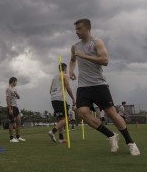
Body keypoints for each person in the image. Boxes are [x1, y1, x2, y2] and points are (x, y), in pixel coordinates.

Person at [69, 18, 140, 155]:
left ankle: (130, 142)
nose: (76, 32)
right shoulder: (75, 47)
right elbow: (72, 60)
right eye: (75, 29)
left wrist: (84, 56)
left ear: (87, 28)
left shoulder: (97, 42)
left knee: (111, 114)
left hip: (99, 84)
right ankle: (111, 135)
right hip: (83, 86)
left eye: (79, 29)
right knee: (82, 112)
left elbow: (105, 60)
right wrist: (71, 70)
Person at [48, 63, 75, 144]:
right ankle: (52, 131)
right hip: (60, 99)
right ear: (65, 68)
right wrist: (73, 98)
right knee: (66, 119)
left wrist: (72, 77)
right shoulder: (65, 75)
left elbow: (50, 91)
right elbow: (68, 87)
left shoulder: (55, 77)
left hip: (53, 99)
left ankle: (60, 139)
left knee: (60, 119)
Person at [6, 77, 26, 143]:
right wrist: (9, 109)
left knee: (19, 122)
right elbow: (7, 99)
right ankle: (11, 138)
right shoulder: (8, 89)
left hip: (16, 107)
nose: (16, 83)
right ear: (13, 81)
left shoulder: (14, 89)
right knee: (11, 122)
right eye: (16, 81)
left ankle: (18, 137)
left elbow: (19, 97)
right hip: (12, 107)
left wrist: (16, 94)